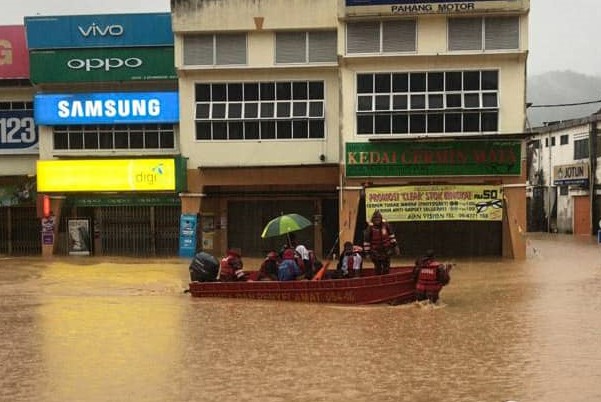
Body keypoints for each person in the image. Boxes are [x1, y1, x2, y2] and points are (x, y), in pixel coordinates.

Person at [363, 210, 400, 275]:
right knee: (378, 268)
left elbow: (392, 237)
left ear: (381, 218)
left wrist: (395, 246)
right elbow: (366, 242)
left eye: (378, 218)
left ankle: (386, 280)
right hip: (375, 252)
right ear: (373, 219)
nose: (377, 220)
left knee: (386, 268)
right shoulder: (369, 229)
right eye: (375, 218)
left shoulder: (386, 226)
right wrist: (367, 253)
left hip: (386, 250)